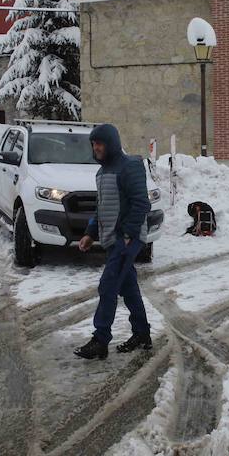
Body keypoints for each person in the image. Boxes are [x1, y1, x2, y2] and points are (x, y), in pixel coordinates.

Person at [74, 124, 152, 360]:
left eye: (100, 143)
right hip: (112, 239)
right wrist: (90, 233)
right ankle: (141, 333)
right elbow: (101, 208)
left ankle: (101, 338)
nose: (96, 147)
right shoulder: (101, 173)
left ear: (112, 143)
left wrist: (128, 234)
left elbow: (141, 203)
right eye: (93, 143)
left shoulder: (130, 167)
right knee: (128, 288)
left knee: (108, 285)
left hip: (127, 239)